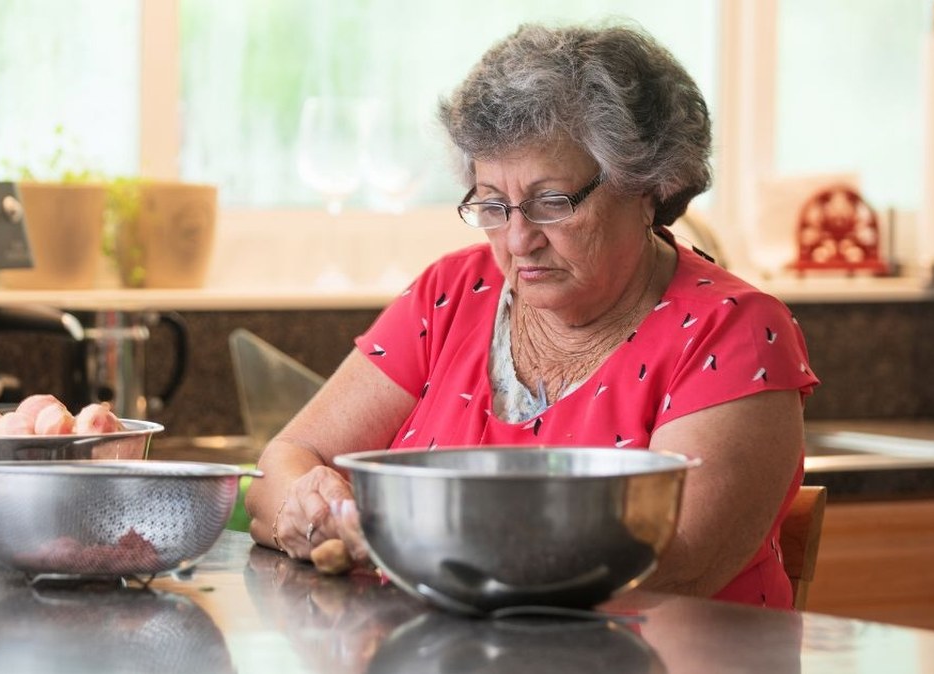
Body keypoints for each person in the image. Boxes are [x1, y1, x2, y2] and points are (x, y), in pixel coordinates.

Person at [247, 21, 819, 609]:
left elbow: (676, 563)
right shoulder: (455, 291)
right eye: (493, 204)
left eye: (551, 202)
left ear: (647, 184)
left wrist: (397, 538)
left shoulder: (737, 332)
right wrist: (312, 509)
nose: (518, 240)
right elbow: (284, 466)